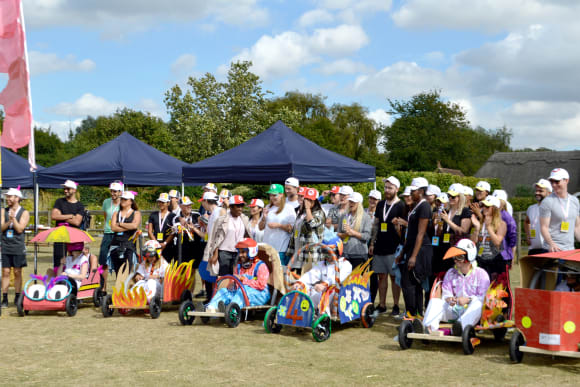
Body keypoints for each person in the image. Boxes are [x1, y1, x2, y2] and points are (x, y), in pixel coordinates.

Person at [422, 239, 490, 335]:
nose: (455, 260)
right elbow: (446, 294)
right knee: (435, 301)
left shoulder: (481, 274)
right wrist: (449, 298)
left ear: (469, 257)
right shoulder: (450, 273)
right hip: (454, 309)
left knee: (478, 304)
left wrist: (468, 300)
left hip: (471, 312)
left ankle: (459, 327)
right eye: (454, 257)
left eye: (459, 257)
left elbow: (483, 298)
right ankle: (428, 327)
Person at [396, 177, 432, 318]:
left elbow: (421, 234)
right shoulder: (416, 207)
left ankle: (412, 314)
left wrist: (413, 256)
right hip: (412, 249)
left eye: (414, 191)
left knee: (408, 283)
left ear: (421, 191)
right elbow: (410, 235)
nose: (411, 193)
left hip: (421, 251)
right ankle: (416, 315)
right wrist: (403, 253)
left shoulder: (424, 206)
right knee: (414, 285)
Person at [369, 176, 405, 315]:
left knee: (394, 277)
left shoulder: (401, 206)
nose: (387, 190)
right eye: (385, 187)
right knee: (381, 276)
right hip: (380, 246)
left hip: (394, 247)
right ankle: (382, 304)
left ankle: (396, 305)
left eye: (390, 188)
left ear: (397, 189)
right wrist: (372, 242)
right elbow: (376, 224)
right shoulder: (380, 204)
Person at [206, 238, 270, 313]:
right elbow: (235, 282)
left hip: (260, 295)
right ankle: (211, 308)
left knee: (243, 290)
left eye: (243, 252)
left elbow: (261, 285)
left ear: (251, 252)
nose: (240, 255)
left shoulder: (260, 266)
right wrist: (232, 284)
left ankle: (231, 310)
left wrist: (243, 280)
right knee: (224, 291)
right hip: (242, 292)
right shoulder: (239, 266)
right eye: (239, 252)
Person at [292, 234, 352, 314]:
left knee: (328, 292)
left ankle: (323, 316)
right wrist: (300, 283)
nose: (327, 256)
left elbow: (337, 279)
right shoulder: (321, 264)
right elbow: (311, 274)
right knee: (304, 288)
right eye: (325, 253)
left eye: (329, 252)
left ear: (338, 251)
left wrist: (324, 284)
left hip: (339, 295)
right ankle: (299, 312)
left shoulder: (345, 264)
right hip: (322, 291)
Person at [206, 195, 251, 277]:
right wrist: (215, 254)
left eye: (242, 205)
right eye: (238, 206)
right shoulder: (222, 219)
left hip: (239, 253)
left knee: (237, 276)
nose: (240, 208)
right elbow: (215, 238)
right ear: (231, 207)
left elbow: (247, 236)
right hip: (224, 252)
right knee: (224, 277)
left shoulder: (244, 219)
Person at [1, 187, 30, 307]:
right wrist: (9, 221)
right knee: (6, 272)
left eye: (10, 196)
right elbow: (1, 228)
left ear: (17, 198)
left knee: (18, 272)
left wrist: (13, 219)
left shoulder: (24, 212)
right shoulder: (3, 211)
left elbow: (19, 229)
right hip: (6, 245)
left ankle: (18, 296)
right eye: (7, 196)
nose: (7, 198)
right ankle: (5, 298)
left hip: (18, 245)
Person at [286, 188, 326, 273]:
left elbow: (311, 224)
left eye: (310, 200)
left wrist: (308, 209)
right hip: (298, 251)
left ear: (315, 201)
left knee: (309, 279)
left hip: (310, 252)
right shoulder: (301, 213)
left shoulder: (319, 213)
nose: (307, 201)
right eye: (306, 199)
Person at [540, 168, 580, 252]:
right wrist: (551, 244)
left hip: (570, 250)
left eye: (557, 181)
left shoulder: (574, 201)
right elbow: (544, 227)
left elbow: (577, 227)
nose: (554, 185)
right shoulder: (547, 202)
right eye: (552, 182)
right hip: (552, 250)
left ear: (566, 180)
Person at [436, 183, 472, 274]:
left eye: (453, 196)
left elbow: (463, 231)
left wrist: (448, 221)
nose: (450, 198)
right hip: (443, 247)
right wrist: (439, 224)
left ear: (460, 197)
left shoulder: (465, 211)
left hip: (456, 248)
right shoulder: (446, 211)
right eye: (449, 196)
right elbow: (439, 233)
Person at [470, 195, 507, 279]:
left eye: (487, 206)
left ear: (494, 209)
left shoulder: (501, 224)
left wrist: (488, 227)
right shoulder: (480, 222)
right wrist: (476, 228)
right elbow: (473, 242)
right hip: (480, 259)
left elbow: (497, 242)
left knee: (493, 290)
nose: (484, 208)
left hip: (494, 261)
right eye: (483, 206)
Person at [51, 180, 85, 268]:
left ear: (74, 190)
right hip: (60, 236)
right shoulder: (59, 201)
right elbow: (54, 216)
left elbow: (77, 222)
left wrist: (61, 216)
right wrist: (70, 216)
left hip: (73, 237)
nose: (65, 190)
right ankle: (58, 280)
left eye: (68, 189)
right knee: (58, 262)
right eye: (64, 188)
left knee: (74, 261)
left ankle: (71, 279)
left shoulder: (79, 205)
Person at [260, 184, 296, 266]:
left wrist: (279, 226)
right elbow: (260, 227)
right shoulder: (268, 207)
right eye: (270, 195)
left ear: (281, 195)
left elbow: (292, 229)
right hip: (267, 247)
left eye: (274, 195)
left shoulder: (288, 208)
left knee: (280, 275)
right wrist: (264, 218)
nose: (272, 197)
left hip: (281, 249)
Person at [337, 192, 372, 269]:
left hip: (359, 254)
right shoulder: (344, 216)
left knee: (358, 280)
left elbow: (367, 236)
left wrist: (352, 233)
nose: (351, 204)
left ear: (359, 204)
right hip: (345, 253)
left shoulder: (366, 217)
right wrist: (345, 234)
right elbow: (338, 233)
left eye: (353, 202)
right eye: (350, 201)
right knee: (344, 279)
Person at [99, 181, 123, 292]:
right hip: (108, 233)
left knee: (118, 260)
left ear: (120, 192)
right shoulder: (106, 202)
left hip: (119, 234)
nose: (112, 193)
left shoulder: (124, 203)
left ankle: (119, 288)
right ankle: (103, 287)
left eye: (115, 191)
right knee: (103, 260)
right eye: (111, 191)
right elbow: (106, 216)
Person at [110, 191, 142, 274]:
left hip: (129, 245)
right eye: (122, 199)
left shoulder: (136, 213)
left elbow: (135, 226)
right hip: (115, 244)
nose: (123, 201)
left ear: (131, 201)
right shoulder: (116, 213)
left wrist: (120, 224)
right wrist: (128, 227)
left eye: (125, 199)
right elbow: (113, 227)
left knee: (128, 270)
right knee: (118, 271)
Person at [525, 179, 552, 255]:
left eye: (541, 191)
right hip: (533, 250)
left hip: (548, 250)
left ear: (549, 193)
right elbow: (527, 222)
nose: (537, 193)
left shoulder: (554, 208)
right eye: (536, 191)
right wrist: (528, 235)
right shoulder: (531, 208)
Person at [147, 193, 177, 262]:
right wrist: (156, 243)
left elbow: (173, 232)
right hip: (155, 245)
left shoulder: (173, 216)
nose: (160, 204)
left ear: (168, 203)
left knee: (166, 266)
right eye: (159, 202)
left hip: (168, 246)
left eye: (163, 202)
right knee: (154, 265)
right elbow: (149, 231)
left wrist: (165, 243)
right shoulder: (153, 215)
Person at [493, 189, 517, 267]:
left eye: (499, 201)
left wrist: (511, 255)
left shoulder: (506, 217)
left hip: (503, 254)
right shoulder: (490, 215)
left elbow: (512, 236)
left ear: (503, 203)